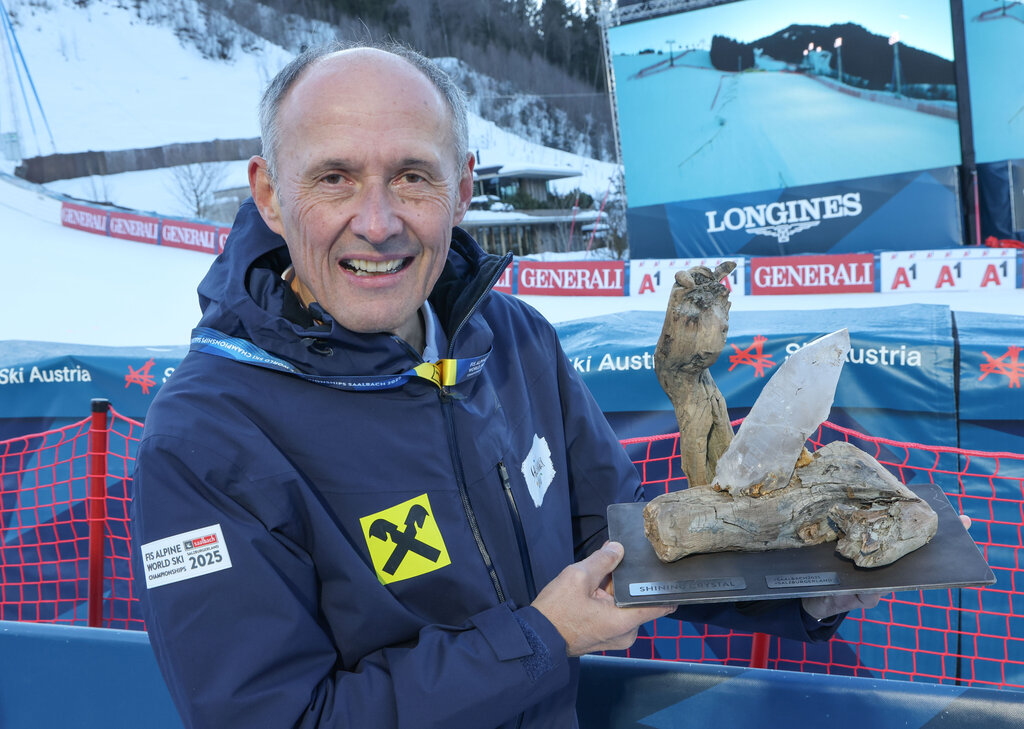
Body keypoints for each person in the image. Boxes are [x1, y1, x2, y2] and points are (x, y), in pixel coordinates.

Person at [131, 41, 854, 729]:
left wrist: (806, 587)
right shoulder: (205, 440)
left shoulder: (508, 338)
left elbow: (616, 538)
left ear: (464, 187)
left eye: (413, 176)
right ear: (269, 195)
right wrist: (541, 636)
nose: (377, 223)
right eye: (334, 177)